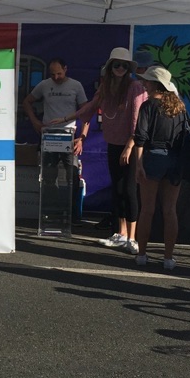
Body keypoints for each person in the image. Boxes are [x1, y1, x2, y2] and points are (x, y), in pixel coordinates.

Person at [64, 48, 147, 254]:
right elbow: (91, 107)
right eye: (116, 65)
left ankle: (133, 238)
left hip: (131, 146)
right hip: (114, 144)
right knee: (117, 190)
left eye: (124, 66)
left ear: (129, 69)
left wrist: (130, 146)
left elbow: (137, 121)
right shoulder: (106, 87)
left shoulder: (135, 87)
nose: (120, 68)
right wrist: (66, 119)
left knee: (129, 191)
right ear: (110, 67)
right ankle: (120, 233)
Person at [133, 65, 188, 271]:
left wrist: (138, 164)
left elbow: (140, 138)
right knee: (169, 210)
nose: (144, 83)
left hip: (153, 157)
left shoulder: (148, 106)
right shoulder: (179, 106)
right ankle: (168, 258)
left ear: (155, 84)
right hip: (175, 159)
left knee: (147, 209)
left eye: (147, 81)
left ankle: (142, 255)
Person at [23, 59, 89, 210]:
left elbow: (86, 112)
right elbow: (27, 102)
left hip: (69, 135)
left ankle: (70, 213)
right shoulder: (45, 85)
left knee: (71, 175)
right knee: (48, 176)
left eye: (59, 73)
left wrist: (81, 138)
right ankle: (51, 210)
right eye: (53, 74)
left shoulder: (76, 85)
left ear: (66, 69)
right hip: (49, 135)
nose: (56, 77)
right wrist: (35, 122)